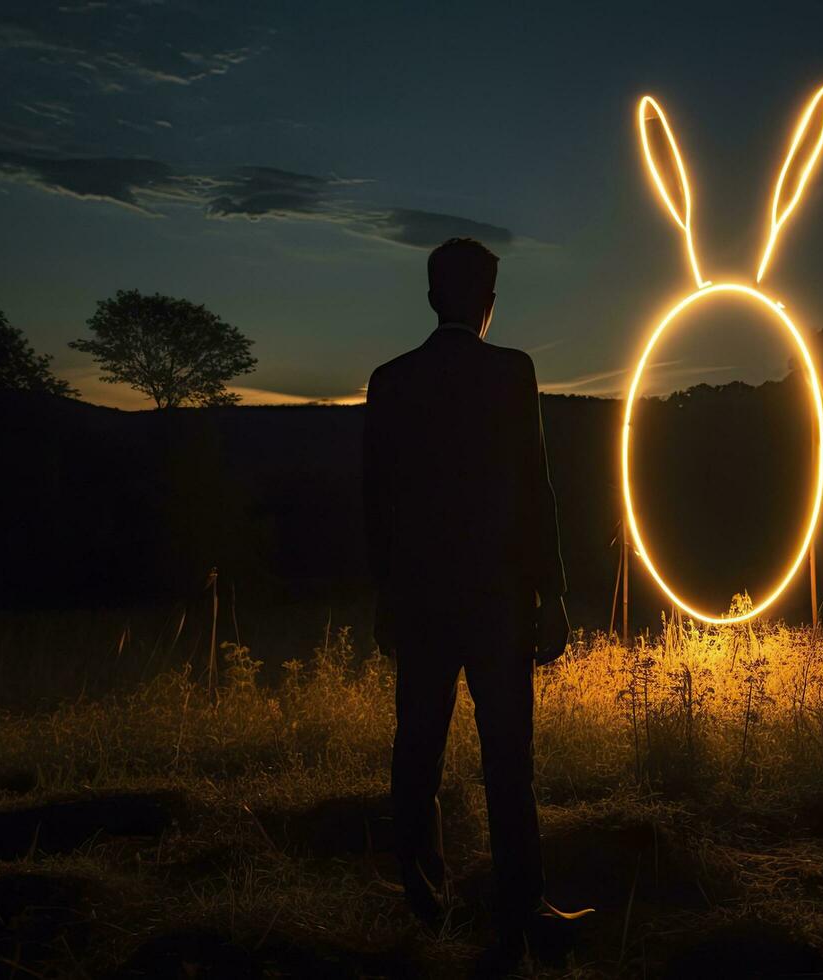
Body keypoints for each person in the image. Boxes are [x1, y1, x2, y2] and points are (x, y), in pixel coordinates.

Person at [362, 237, 585, 958]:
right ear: (489, 303)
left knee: (417, 749)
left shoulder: (391, 380)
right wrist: (551, 592)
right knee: (507, 759)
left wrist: (384, 597)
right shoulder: (511, 373)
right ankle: (523, 910)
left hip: (423, 599)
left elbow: (377, 503)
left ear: (431, 297)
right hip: (498, 599)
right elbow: (536, 490)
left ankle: (425, 901)